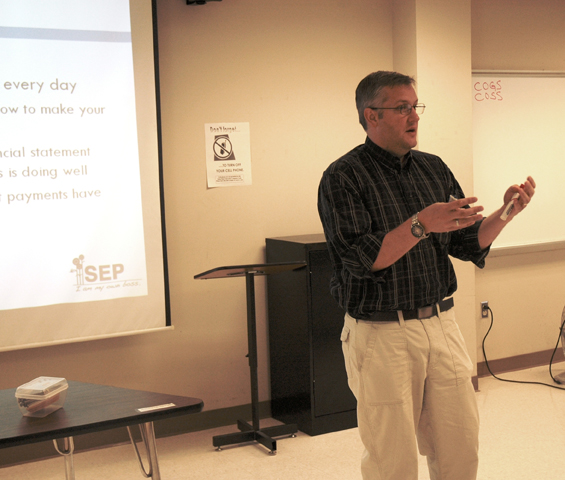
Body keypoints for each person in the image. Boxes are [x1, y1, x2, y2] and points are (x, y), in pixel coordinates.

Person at [317, 71, 535, 480]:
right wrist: (420, 224)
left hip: (442, 325)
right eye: (401, 108)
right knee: (392, 460)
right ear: (371, 116)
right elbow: (363, 259)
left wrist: (506, 214)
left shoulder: (433, 169)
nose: (413, 115)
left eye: (415, 106)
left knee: (460, 448)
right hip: (381, 334)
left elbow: (467, 242)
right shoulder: (342, 177)